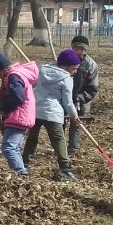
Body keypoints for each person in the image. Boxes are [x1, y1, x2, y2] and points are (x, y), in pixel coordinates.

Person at [24, 49, 82, 181]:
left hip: (36, 111)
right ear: (66, 66)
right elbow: (67, 102)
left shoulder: (41, 70)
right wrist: (74, 115)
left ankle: (24, 165)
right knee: (59, 140)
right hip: (53, 113)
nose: (76, 71)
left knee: (31, 139)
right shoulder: (67, 79)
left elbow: (31, 85)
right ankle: (65, 169)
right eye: (74, 68)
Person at [0, 51, 39, 176]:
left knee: (8, 148)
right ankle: (20, 172)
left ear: (0, 69)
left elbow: (17, 97)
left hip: (18, 116)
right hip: (21, 115)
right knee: (14, 148)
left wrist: (4, 109)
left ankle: (21, 174)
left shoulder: (13, 76)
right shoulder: (15, 74)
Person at [68, 35, 99, 156]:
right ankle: (59, 149)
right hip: (64, 99)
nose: (78, 51)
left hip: (81, 101)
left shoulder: (91, 65)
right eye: (75, 48)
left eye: (80, 49)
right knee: (60, 124)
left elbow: (92, 88)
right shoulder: (65, 59)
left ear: (85, 50)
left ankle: (73, 150)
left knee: (76, 124)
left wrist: (80, 98)